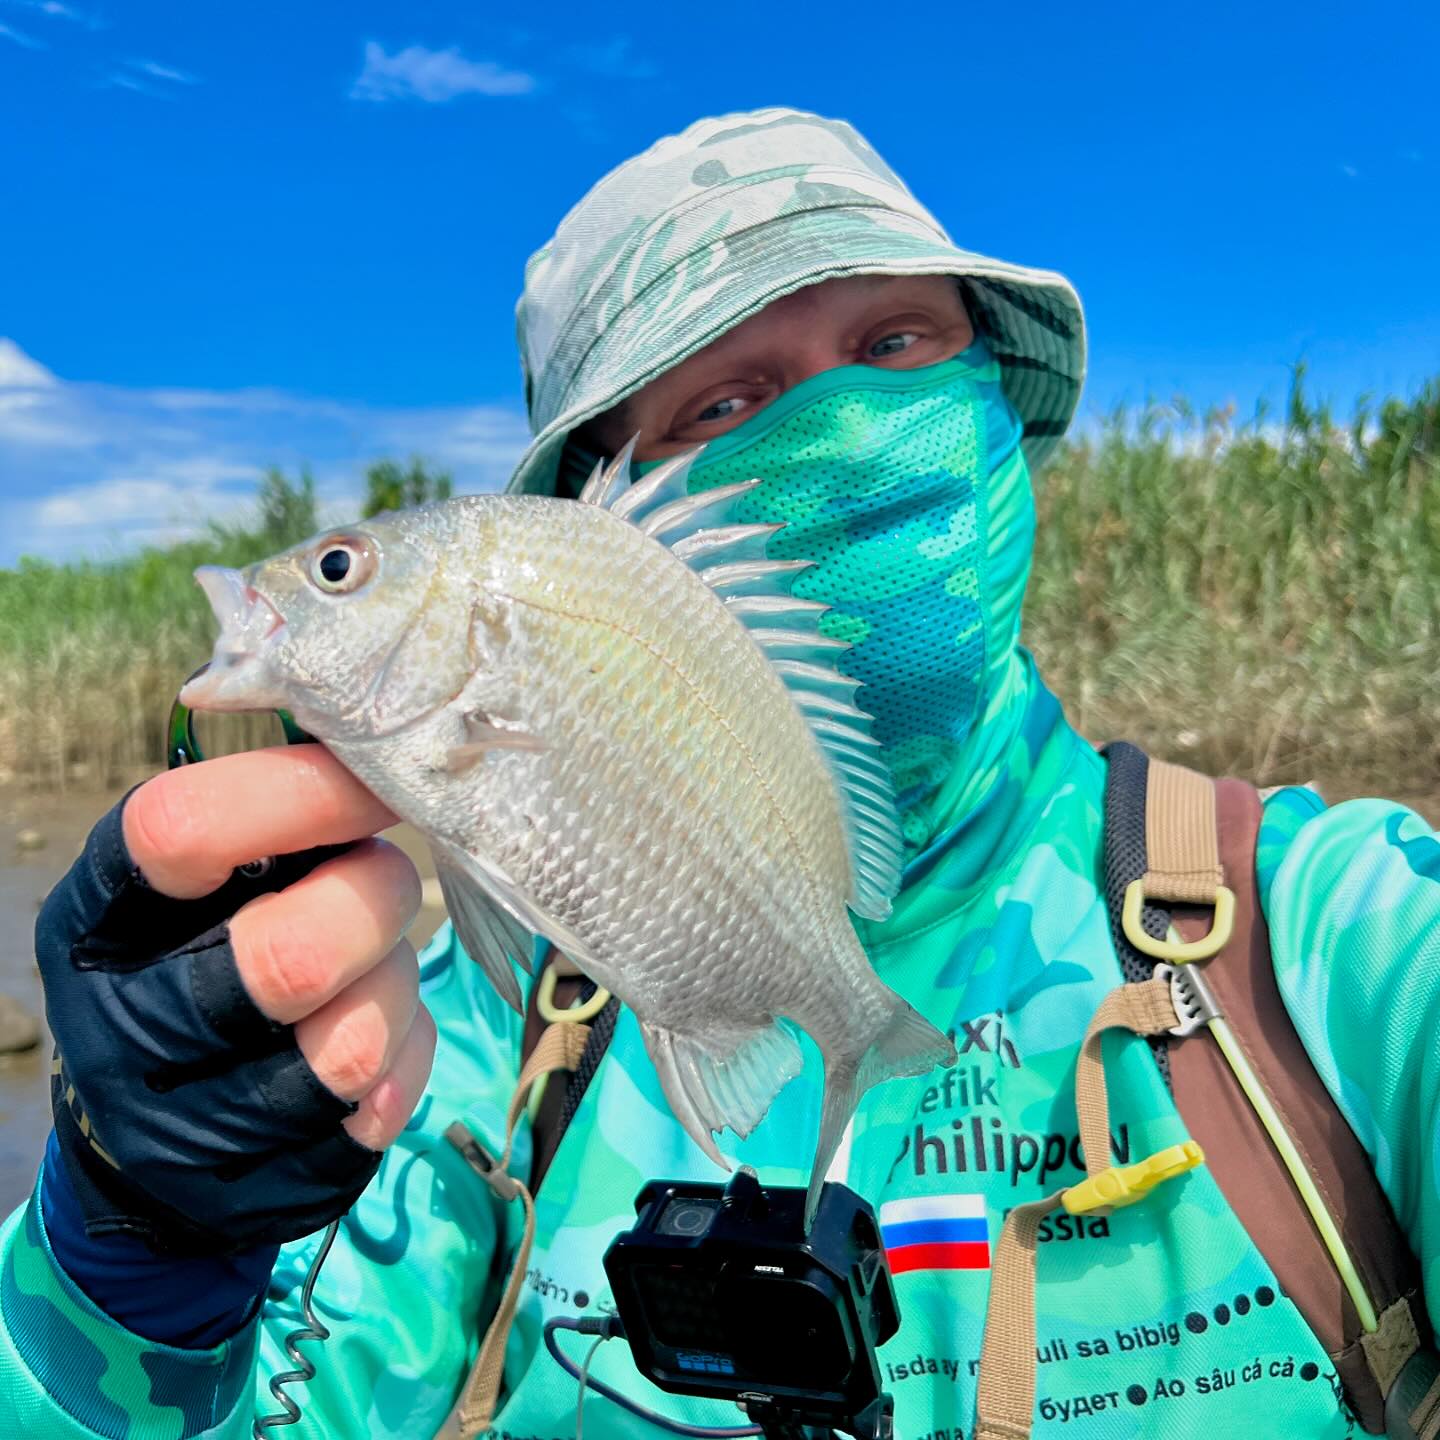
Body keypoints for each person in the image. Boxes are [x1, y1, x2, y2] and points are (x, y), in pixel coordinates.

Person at [2, 107, 1436, 1440]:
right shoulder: (451, 1050)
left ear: (995, 396)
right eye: (719, 405)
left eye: (893, 346)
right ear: (601, 531)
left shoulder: (1343, 938)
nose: (839, 434)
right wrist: (127, 1263)